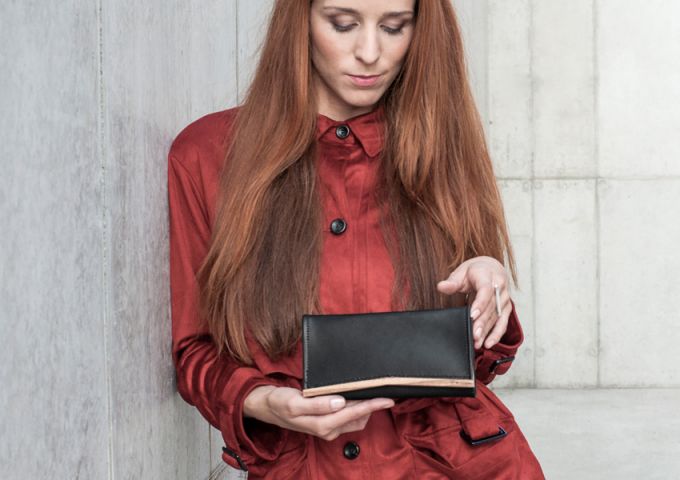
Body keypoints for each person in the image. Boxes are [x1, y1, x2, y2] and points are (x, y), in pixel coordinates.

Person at [166, 0, 546, 478]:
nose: (370, 52)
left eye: (394, 27)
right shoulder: (207, 156)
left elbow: (481, 367)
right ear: (299, 20)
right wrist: (260, 401)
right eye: (342, 24)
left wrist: (488, 293)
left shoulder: (439, 144)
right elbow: (195, 350)